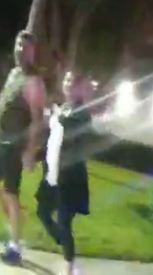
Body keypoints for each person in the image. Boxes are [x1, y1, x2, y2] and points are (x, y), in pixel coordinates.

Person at [0, 31, 47, 265]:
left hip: (13, 145)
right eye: (18, 45)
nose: (21, 49)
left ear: (33, 52)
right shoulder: (15, 73)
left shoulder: (34, 81)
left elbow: (37, 119)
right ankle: (14, 219)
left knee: (11, 194)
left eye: (26, 47)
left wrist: (30, 152)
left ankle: (15, 248)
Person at [37, 71, 94, 275]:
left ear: (79, 87)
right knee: (42, 212)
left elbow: (73, 130)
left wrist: (55, 116)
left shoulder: (81, 112)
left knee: (63, 220)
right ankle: (63, 241)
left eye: (73, 80)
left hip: (70, 177)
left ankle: (70, 267)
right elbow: (52, 138)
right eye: (66, 79)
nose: (68, 83)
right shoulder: (64, 108)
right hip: (53, 173)